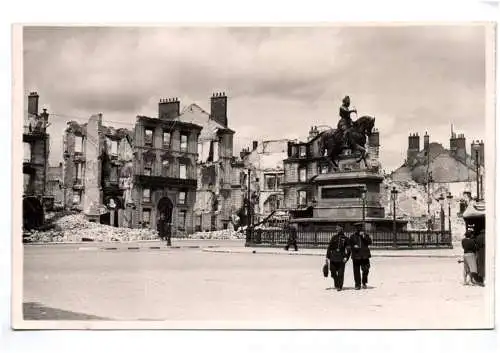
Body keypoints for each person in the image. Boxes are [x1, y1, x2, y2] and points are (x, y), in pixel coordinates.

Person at [326, 226, 351, 291]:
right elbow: (329, 247)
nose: (336, 229)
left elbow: (348, 249)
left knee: (340, 273)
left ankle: (339, 286)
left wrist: (346, 257)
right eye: (336, 228)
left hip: (341, 257)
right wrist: (327, 257)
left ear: (342, 229)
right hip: (333, 257)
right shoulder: (334, 237)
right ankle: (336, 282)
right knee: (333, 271)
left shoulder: (346, 239)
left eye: (338, 228)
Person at [349, 223, 372, 290]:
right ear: (355, 229)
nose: (359, 229)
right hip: (356, 256)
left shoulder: (366, 235)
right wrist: (354, 246)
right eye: (357, 228)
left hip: (365, 255)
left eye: (360, 227)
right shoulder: (352, 236)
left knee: (366, 270)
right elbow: (350, 245)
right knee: (356, 271)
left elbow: (370, 242)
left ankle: (364, 282)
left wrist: (364, 237)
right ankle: (357, 284)